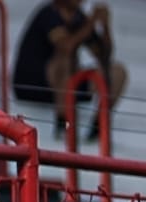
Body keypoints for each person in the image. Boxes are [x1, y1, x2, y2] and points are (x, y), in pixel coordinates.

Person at [13, 1, 126, 142]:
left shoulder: (80, 18)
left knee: (117, 72)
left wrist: (105, 26)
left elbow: (103, 56)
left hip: (68, 85)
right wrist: (91, 23)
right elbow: (65, 46)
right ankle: (63, 124)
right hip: (35, 84)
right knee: (64, 59)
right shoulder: (49, 14)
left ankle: (98, 127)